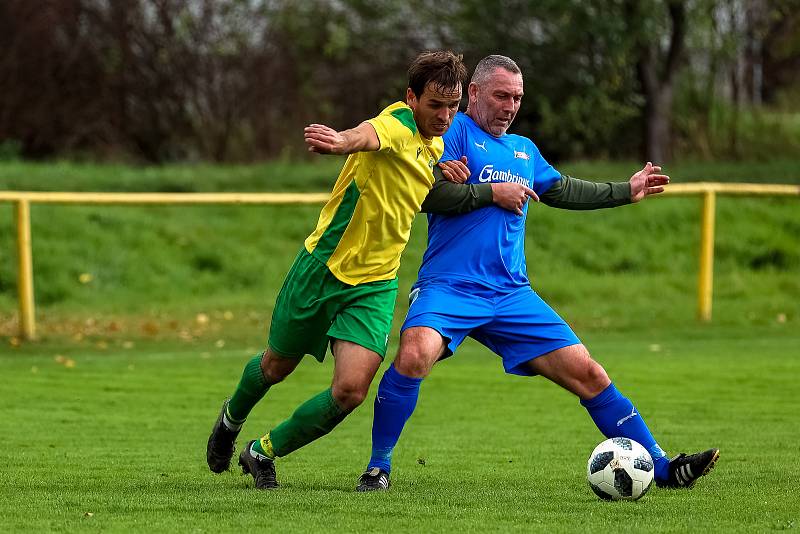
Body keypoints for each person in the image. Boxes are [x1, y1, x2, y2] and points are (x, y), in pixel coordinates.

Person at [356, 55, 719, 492]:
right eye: (501, 95)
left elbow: (562, 188)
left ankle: (662, 468)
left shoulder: (524, 149)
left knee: (590, 374)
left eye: (517, 98)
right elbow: (426, 195)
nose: (510, 106)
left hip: (511, 294)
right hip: (449, 286)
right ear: (473, 93)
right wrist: (492, 192)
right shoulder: (450, 132)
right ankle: (378, 468)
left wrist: (626, 190)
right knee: (414, 354)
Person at [204, 51, 482, 489]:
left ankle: (262, 452)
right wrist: (340, 141)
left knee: (351, 391)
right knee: (277, 366)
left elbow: (409, 172)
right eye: (435, 105)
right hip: (322, 268)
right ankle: (230, 417)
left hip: (375, 284)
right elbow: (371, 135)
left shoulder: (436, 144)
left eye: (453, 106)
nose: (445, 116)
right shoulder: (397, 121)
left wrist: (436, 172)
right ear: (411, 98)